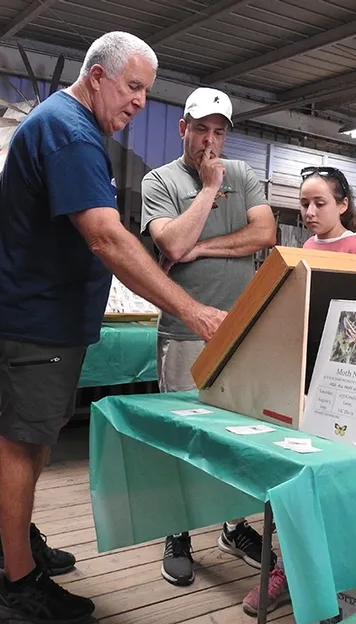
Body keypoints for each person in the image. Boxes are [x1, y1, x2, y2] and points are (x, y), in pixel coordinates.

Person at [0, 32, 226, 624]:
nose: (139, 103)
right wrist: (191, 310)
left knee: (36, 434)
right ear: (97, 76)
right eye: (132, 87)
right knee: (23, 441)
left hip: (42, 311)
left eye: (147, 92)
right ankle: (18, 584)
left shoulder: (58, 122)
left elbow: (14, 212)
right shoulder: (74, 131)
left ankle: (10, 541)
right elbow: (104, 235)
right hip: (41, 319)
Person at [141, 87, 278, 588]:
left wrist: (203, 250)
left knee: (237, 436)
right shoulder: (159, 181)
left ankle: (234, 526)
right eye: (202, 129)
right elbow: (172, 242)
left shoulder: (242, 175)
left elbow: (264, 235)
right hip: (183, 331)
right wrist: (205, 189)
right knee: (181, 433)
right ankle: (177, 531)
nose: (211, 140)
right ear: (183, 128)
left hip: (240, 334)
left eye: (220, 131)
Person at [242, 165, 356, 617]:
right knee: (294, 468)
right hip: (301, 375)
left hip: (343, 379)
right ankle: (286, 571)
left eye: (320, 203)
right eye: (303, 204)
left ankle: (334, 574)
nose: (311, 212)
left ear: (343, 205)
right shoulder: (305, 248)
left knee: (335, 478)